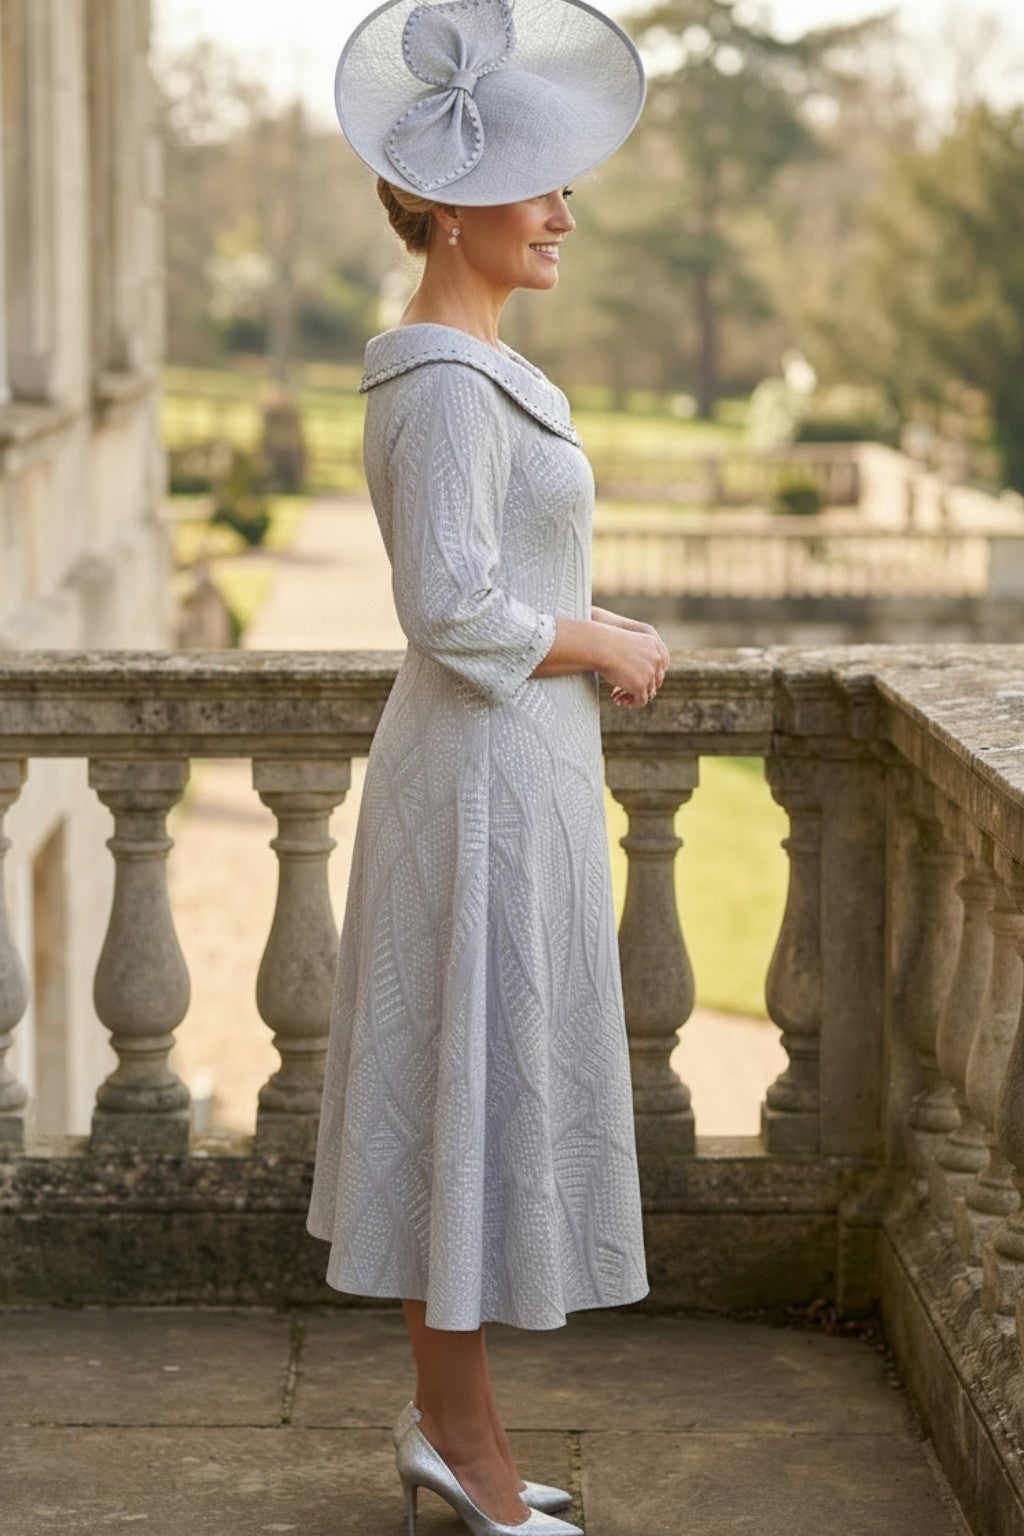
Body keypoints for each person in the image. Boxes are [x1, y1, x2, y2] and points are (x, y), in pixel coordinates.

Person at [305, 1, 669, 1531]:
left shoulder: (479, 366)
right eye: (542, 187)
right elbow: (451, 604)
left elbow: (501, 573)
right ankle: (468, 1452)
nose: (565, 214)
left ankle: (452, 1430)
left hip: (516, 775)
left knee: (475, 1098)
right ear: (454, 205)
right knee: (456, 1101)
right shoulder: (445, 380)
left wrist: (589, 627)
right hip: (476, 787)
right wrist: (601, 641)